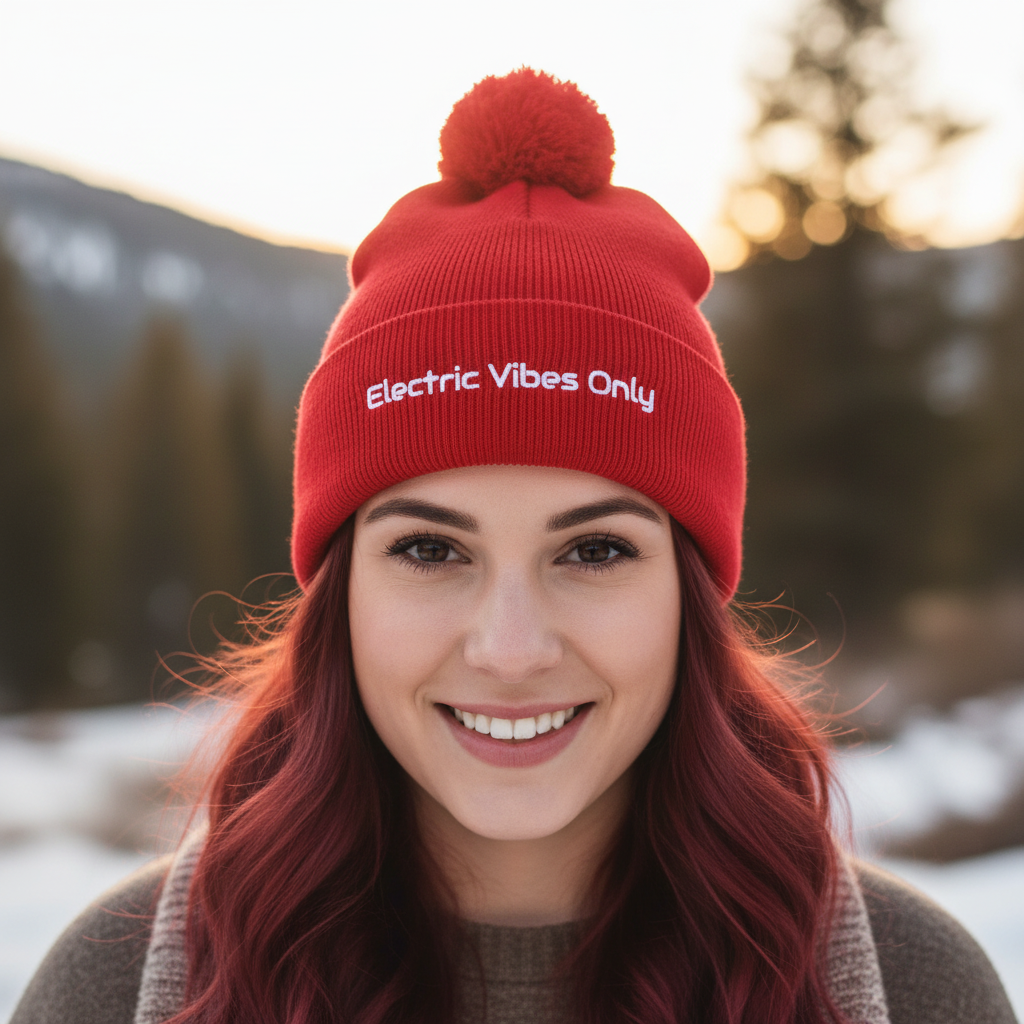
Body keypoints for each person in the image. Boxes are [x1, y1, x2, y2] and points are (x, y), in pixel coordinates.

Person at [11, 68, 1016, 1024]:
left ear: (687, 591)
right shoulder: (121, 985)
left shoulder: (913, 985)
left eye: (592, 553)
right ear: (341, 591)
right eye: (428, 551)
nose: (509, 648)